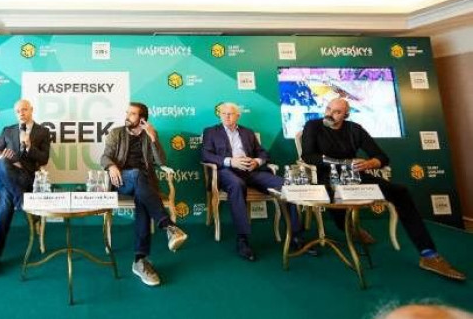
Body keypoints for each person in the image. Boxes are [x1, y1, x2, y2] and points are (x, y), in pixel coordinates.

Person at [302, 97, 466, 281]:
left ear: (346, 115)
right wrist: (344, 162)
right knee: (339, 209)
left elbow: (382, 157)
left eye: (337, 112)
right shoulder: (313, 125)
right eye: (328, 109)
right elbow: (308, 156)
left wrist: (370, 163)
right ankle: (351, 228)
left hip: (356, 176)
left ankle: (428, 254)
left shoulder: (355, 129)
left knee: (400, 192)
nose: (330, 114)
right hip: (327, 178)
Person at [202, 102, 310, 261]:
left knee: (287, 185)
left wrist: (257, 162)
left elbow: (263, 153)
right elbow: (206, 155)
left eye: (230, 114)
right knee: (237, 184)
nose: (226, 116)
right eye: (223, 113)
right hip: (226, 172)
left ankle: (296, 236)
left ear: (238, 116)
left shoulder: (247, 132)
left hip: (251, 171)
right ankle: (243, 239)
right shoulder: (211, 132)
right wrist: (231, 162)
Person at [100, 102, 188, 287]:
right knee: (137, 175)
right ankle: (168, 226)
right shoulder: (116, 133)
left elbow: (161, 161)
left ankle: (140, 261)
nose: (127, 116)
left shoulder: (149, 135)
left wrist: (153, 138)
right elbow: (105, 156)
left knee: (143, 199)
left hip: (144, 186)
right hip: (122, 181)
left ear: (142, 119)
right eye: (127, 112)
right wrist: (112, 166)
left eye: (132, 114)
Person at [0, 99, 51, 278]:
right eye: (18, 111)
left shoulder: (42, 132)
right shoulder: (7, 130)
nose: (21, 113)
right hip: (1, 176)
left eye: (24, 109)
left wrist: (29, 147)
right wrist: (6, 160)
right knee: (2, 162)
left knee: (6, 199)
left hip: (23, 178)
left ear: (31, 110)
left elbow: (44, 159)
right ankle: (22, 202)